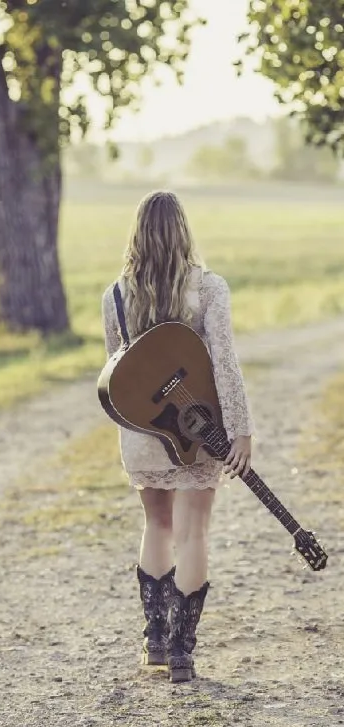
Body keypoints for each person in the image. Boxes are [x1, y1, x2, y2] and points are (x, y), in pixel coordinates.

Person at [101, 190, 253, 683]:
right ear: (183, 230)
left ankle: (156, 644)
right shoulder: (209, 288)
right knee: (193, 533)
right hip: (200, 425)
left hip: (144, 431)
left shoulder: (117, 296)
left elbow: (118, 375)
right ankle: (183, 653)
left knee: (158, 527)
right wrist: (240, 430)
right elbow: (224, 365)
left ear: (138, 233)